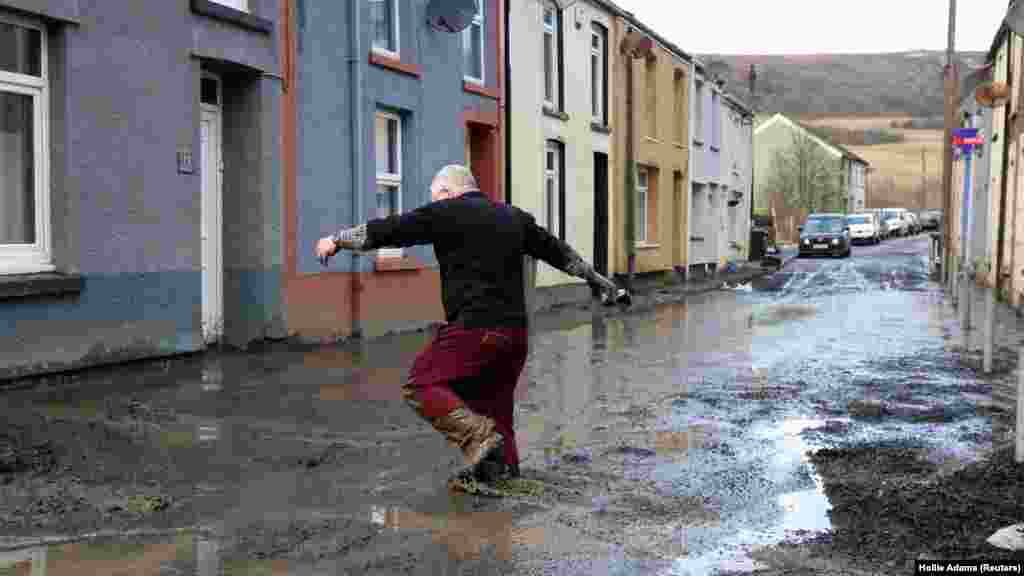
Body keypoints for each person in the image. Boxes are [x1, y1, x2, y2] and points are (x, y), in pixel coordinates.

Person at [315, 164, 625, 487]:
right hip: (514, 337)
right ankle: (504, 477)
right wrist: (601, 282)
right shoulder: (514, 217)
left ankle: (478, 439)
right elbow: (561, 254)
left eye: (437, 198)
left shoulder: (446, 212)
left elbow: (390, 229)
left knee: (421, 384)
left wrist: (337, 240)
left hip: (475, 330)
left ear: (447, 194)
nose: (436, 203)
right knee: (497, 412)